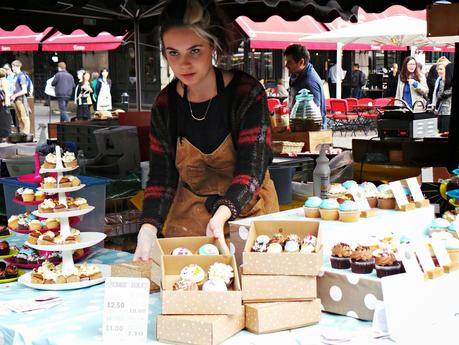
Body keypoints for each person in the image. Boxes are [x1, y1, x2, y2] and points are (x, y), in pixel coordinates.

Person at [133, 0, 279, 261]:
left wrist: (224, 212)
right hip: (189, 213)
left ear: (213, 46)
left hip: (248, 211)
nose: (184, 63)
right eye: (173, 53)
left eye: (194, 50)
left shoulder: (246, 93)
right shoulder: (165, 105)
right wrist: (148, 226)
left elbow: (253, 168)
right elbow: (161, 177)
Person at [284, 44, 326, 128]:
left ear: (301, 62)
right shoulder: (295, 75)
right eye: (286, 61)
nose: (286, 65)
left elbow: (314, 116)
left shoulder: (309, 81)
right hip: (298, 128)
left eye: (289, 62)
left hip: (309, 131)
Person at [10, 60, 31, 134]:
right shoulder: (16, 76)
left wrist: (14, 95)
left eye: (13, 66)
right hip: (16, 99)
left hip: (21, 99)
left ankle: (26, 134)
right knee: (20, 118)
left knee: (24, 117)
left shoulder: (21, 76)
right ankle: (22, 133)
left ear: (17, 66)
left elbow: (24, 90)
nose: (12, 68)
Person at [434, 63, 454, 133]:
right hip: (440, 111)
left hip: (447, 112)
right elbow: (439, 95)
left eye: (441, 69)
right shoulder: (440, 80)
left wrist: (443, 81)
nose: (439, 71)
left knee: (444, 134)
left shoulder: (448, 82)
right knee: (440, 133)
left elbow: (443, 94)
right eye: (438, 69)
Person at [0, 68, 13, 139]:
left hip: (4, 102)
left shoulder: (2, 81)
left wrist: (5, 102)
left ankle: (4, 134)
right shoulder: (6, 80)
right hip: (6, 102)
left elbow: (4, 93)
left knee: (3, 119)